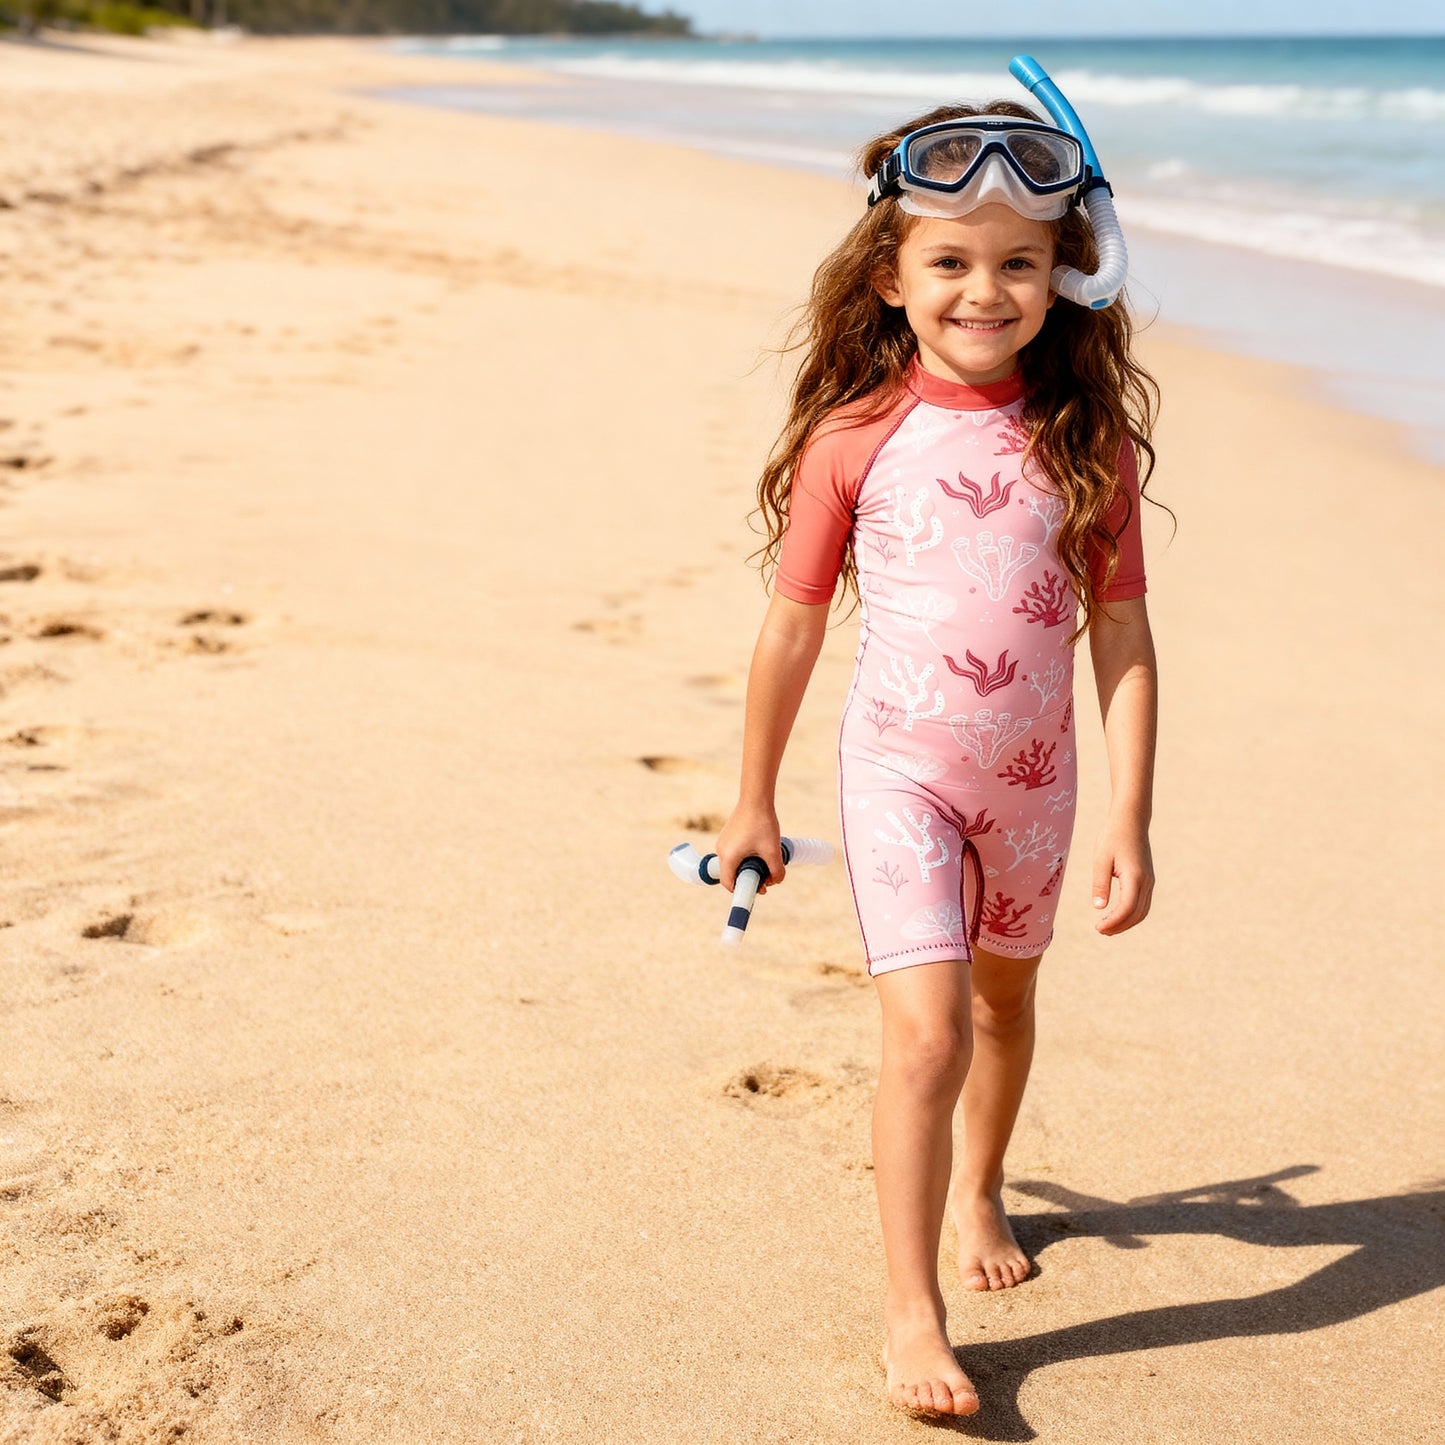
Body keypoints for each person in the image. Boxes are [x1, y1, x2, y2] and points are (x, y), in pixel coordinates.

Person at [715, 94, 1162, 1418]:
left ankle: (980, 1181)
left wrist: (1127, 816)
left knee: (999, 1012)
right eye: (951, 262)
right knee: (921, 1036)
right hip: (897, 771)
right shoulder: (852, 439)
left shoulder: (1087, 442)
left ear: (1067, 270)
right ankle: (913, 1312)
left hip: (1031, 788)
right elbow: (790, 630)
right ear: (890, 277)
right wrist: (750, 796)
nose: (986, 289)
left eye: (1019, 260)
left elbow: (1122, 638)